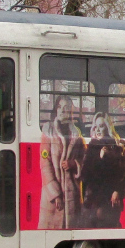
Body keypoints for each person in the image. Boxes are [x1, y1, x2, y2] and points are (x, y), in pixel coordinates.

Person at [39, 96, 85, 229]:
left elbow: (84, 161)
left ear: (71, 111)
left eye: (66, 108)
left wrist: (74, 164)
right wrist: (56, 195)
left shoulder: (77, 134)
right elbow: (45, 165)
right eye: (59, 107)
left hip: (72, 198)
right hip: (53, 199)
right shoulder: (48, 131)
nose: (62, 110)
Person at [78, 112, 125, 228]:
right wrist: (99, 158)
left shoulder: (118, 148)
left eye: (101, 126)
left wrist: (118, 192)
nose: (97, 130)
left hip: (110, 201)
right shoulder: (91, 147)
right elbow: (85, 176)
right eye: (95, 126)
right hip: (93, 202)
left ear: (107, 128)